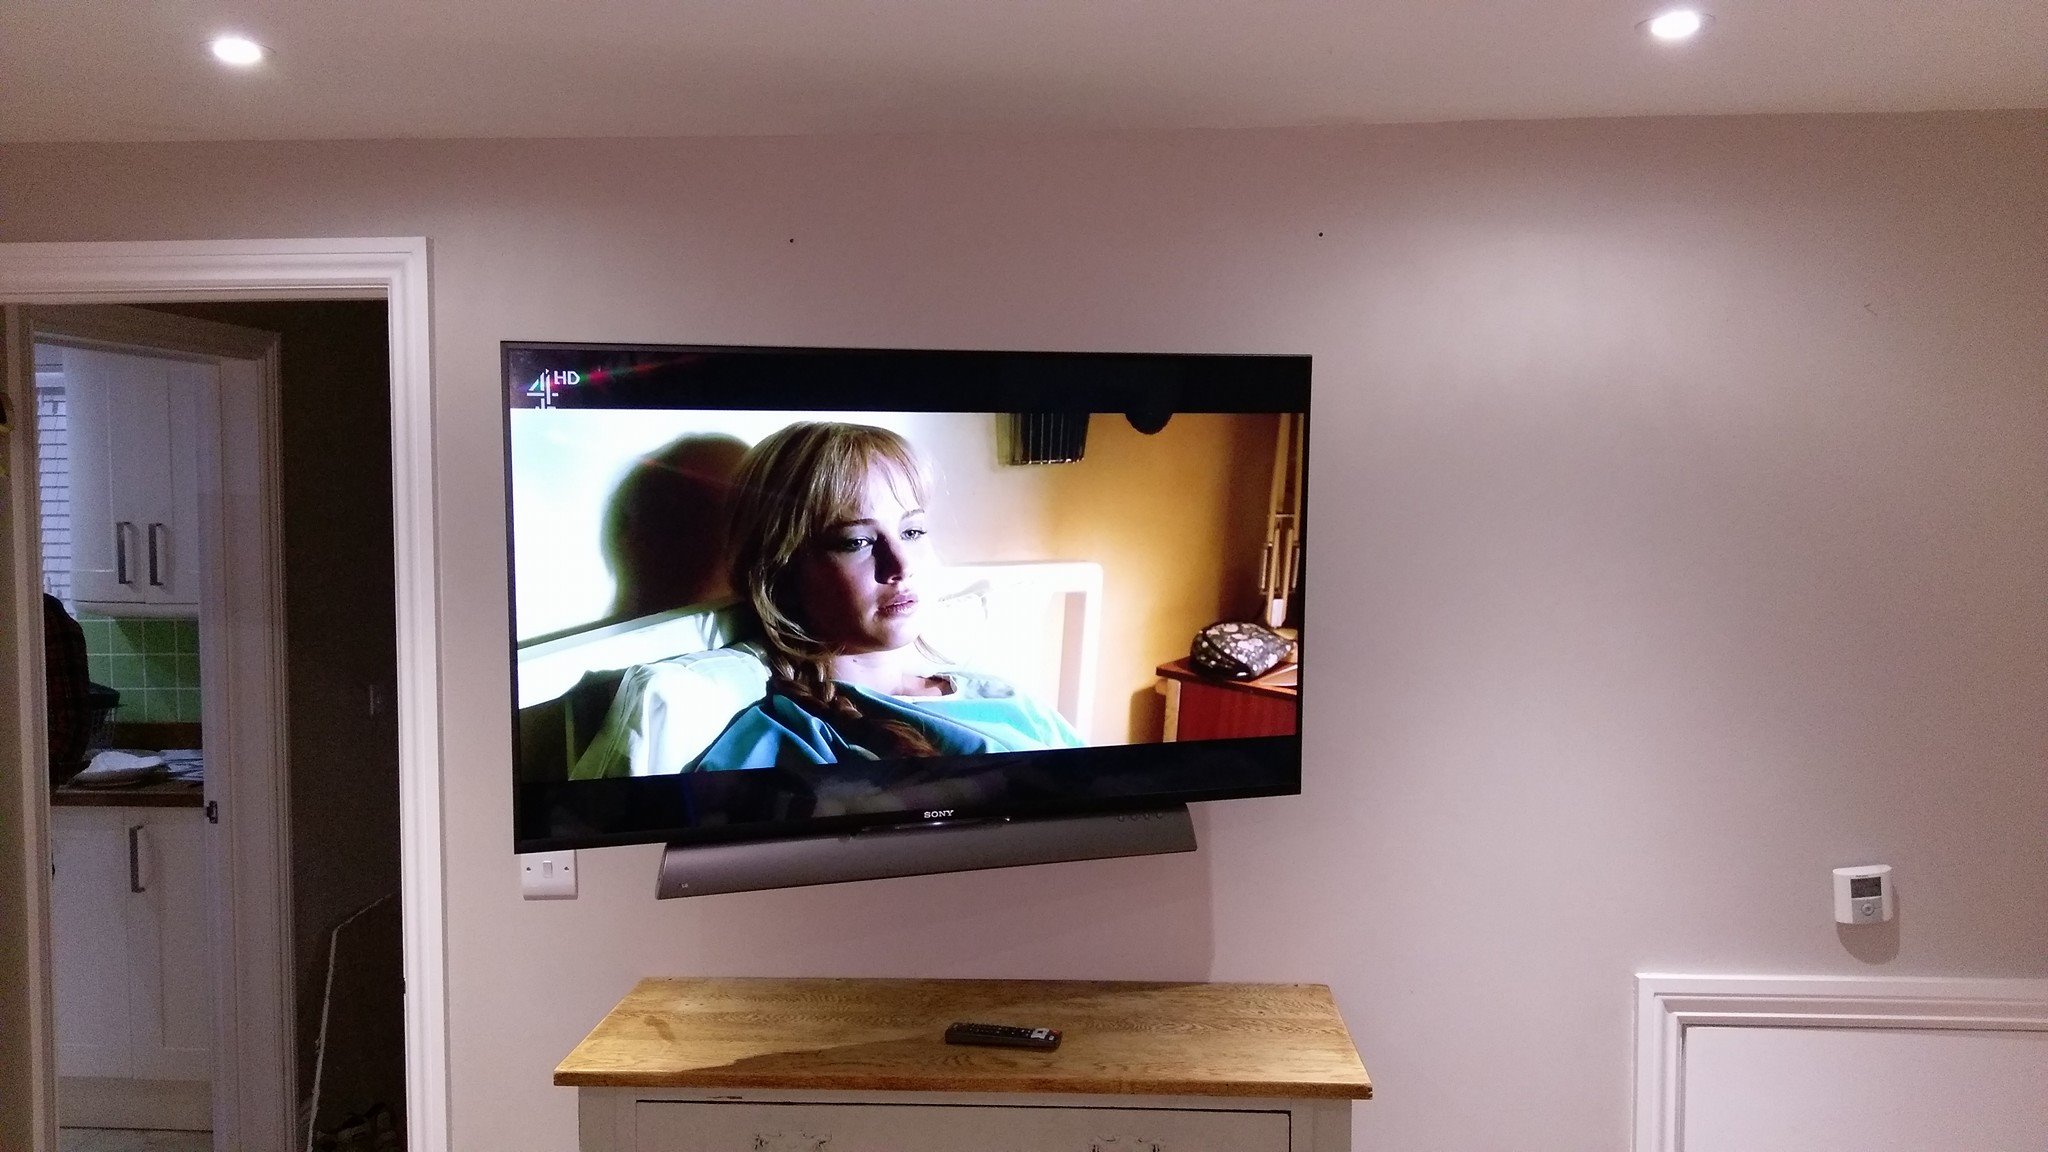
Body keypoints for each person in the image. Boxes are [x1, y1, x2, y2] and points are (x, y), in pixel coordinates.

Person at [571, 421, 1081, 779]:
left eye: (912, 531)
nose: (900, 565)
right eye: (856, 541)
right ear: (782, 571)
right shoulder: (785, 739)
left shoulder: (1004, 697)